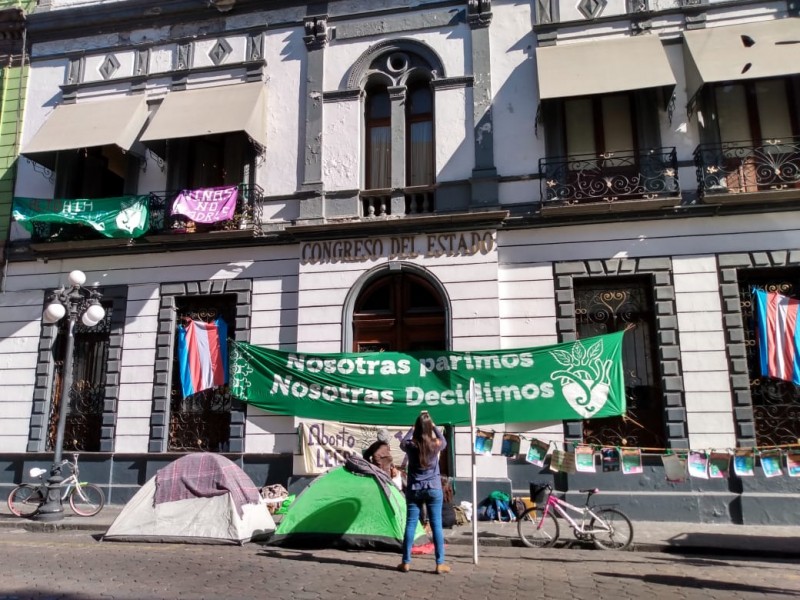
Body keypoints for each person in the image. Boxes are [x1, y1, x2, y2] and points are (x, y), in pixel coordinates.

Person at [398, 411, 450, 574]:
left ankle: (406, 562)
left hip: (414, 489)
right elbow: (444, 441)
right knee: (436, 526)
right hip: (433, 488)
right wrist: (434, 427)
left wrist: (413, 428)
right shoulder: (435, 444)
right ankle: (440, 563)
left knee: (411, 525)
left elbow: (403, 442)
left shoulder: (411, 445)